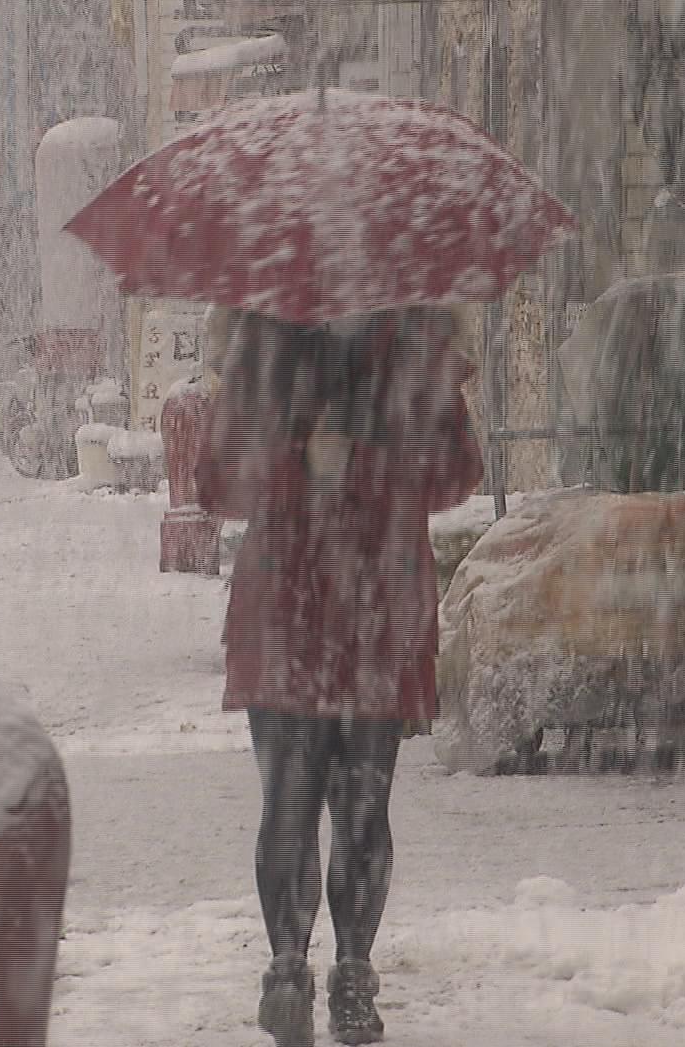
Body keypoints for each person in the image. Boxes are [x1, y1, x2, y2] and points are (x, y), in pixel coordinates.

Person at [195, 304, 485, 1047]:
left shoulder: (384, 341)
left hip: (333, 612)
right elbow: (217, 480)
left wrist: (343, 461)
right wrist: (318, 463)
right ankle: (320, 973)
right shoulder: (389, 337)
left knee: (323, 804)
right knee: (334, 805)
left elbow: (456, 471)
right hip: (348, 609)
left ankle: (319, 969)